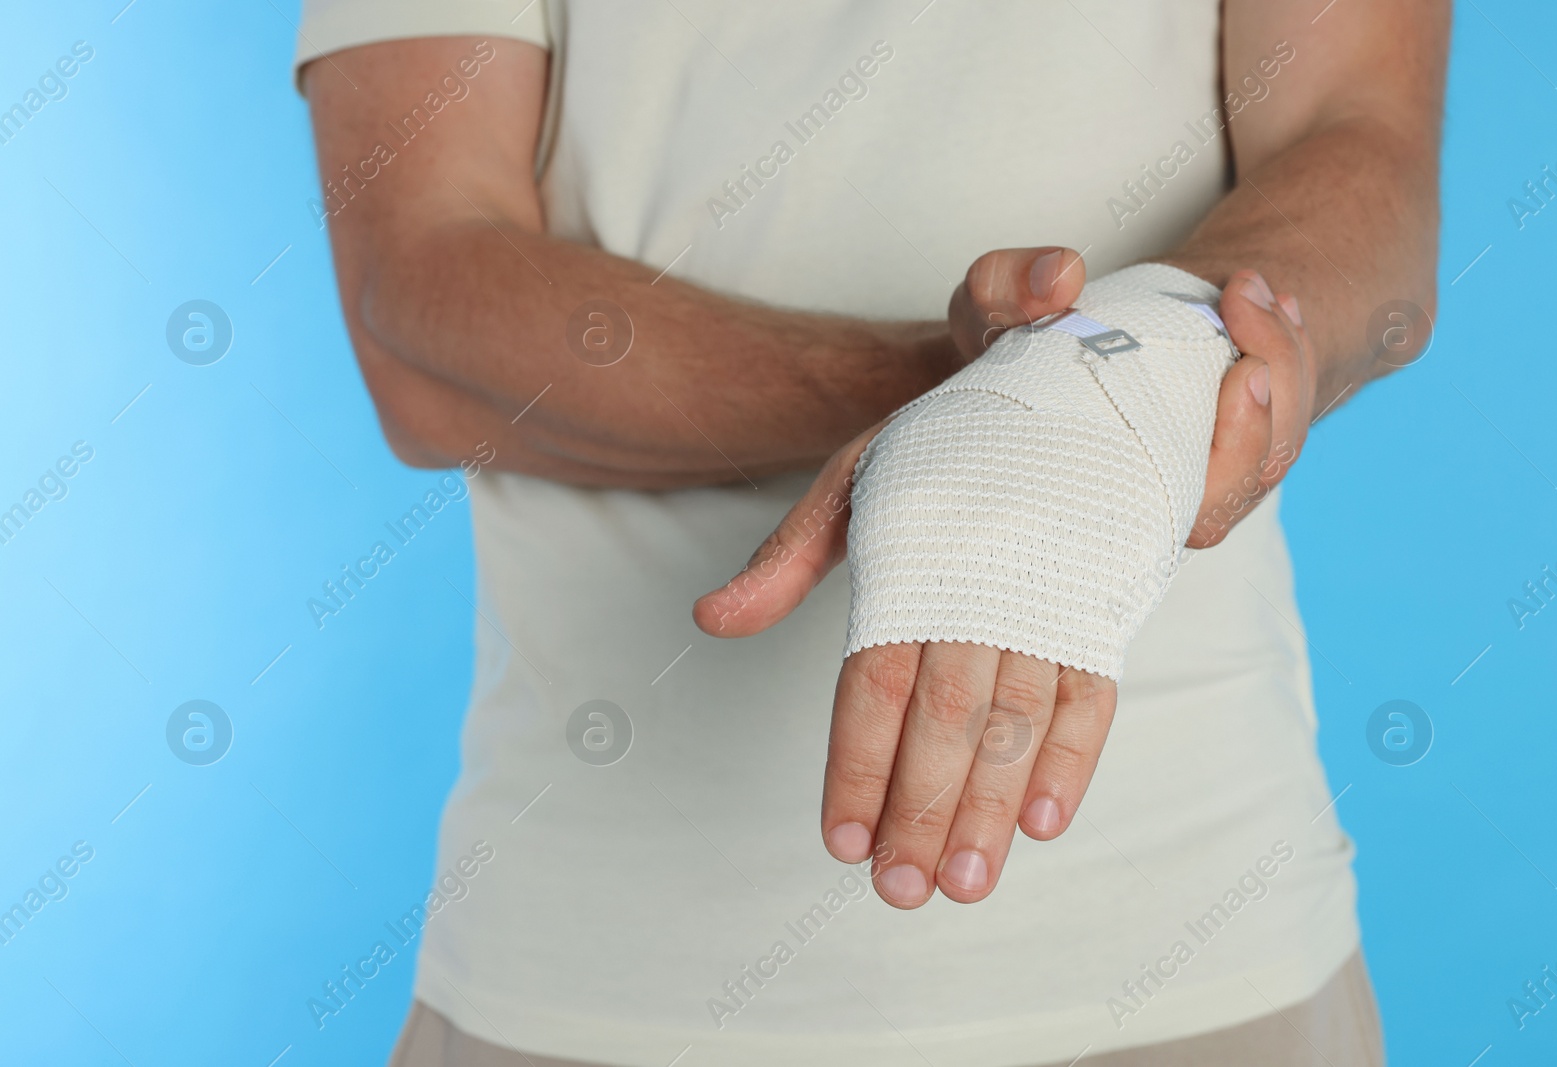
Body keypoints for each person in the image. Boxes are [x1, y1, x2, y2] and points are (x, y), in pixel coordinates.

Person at [296, 1, 1445, 1063]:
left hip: (1193, 950)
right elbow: (425, 304)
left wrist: (1068, 395)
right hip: (597, 972)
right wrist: (982, 402)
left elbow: (1357, 138)